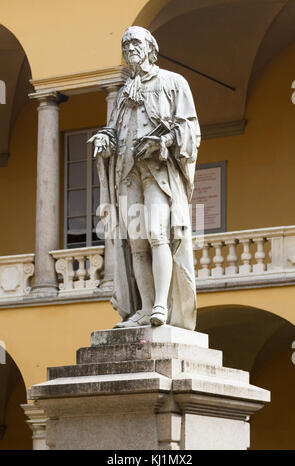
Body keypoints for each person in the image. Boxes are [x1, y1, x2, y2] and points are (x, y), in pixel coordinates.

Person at [89, 26, 200, 330]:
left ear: (151, 48)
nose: (129, 48)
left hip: (158, 172)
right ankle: (145, 307)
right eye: (125, 44)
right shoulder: (125, 92)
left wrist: (161, 142)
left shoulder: (173, 83)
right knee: (137, 243)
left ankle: (162, 304)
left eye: (135, 42)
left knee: (156, 232)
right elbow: (115, 128)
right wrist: (104, 138)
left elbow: (190, 129)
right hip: (127, 172)